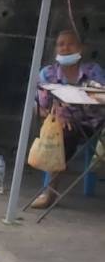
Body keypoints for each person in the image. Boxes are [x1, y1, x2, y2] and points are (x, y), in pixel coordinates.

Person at [31, 27, 105, 209]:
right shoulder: (48, 74)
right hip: (60, 125)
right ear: (56, 49)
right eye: (61, 44)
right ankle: (50, 193)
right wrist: (57, 116)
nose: (65, 48)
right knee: (64, 133)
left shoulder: (92, 71)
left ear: (81, 49)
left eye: (71, 44)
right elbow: (39, 106)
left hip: (92, 123)